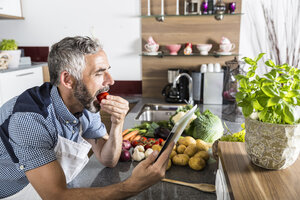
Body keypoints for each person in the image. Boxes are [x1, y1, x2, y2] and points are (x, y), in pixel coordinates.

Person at [0, 36, 174, 199]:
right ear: (68, 80)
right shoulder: (29, 120)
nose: (110, 80)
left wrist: (117, 123)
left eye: (108, 71)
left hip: (45, 187)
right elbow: (56, 196)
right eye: (99, 73)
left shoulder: (85, 103)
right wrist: (132, 186)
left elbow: (108, 159)